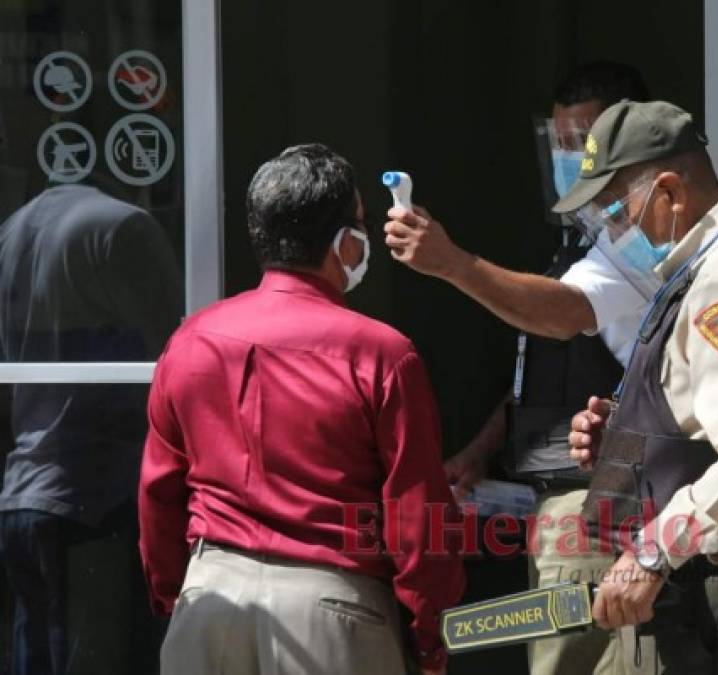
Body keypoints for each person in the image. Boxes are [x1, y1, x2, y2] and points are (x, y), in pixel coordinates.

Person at [138, 143, 465, 675]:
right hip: (335, 612)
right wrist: (430, 634)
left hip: (210, 601)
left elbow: (159, 494)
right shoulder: (382, 354)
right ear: (345, 243)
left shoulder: (190, 340)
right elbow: (418, 516)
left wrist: (176, 600)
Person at [385, 61, 651, 675]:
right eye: (556, 144)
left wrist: (452, 263)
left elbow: (561, 317)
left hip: (598, 509)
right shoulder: (573, 243)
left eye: (578, 146)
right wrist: (481, 451)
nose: (565, 160)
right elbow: (539, 373)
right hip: (552, 506)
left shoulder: (638, 248)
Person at [565, 100, 718, 674]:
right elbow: (703, 425)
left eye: (617, 211)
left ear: (671, 194)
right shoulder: (698, 271)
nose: (611, 231)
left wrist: (653, 553)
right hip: (700, 604)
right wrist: (626, 448)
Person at [0, 182, 181, 675]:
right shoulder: (122, 227)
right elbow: (178, 358)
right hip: (97, 500)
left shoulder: (14, 233)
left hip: (24, 492)